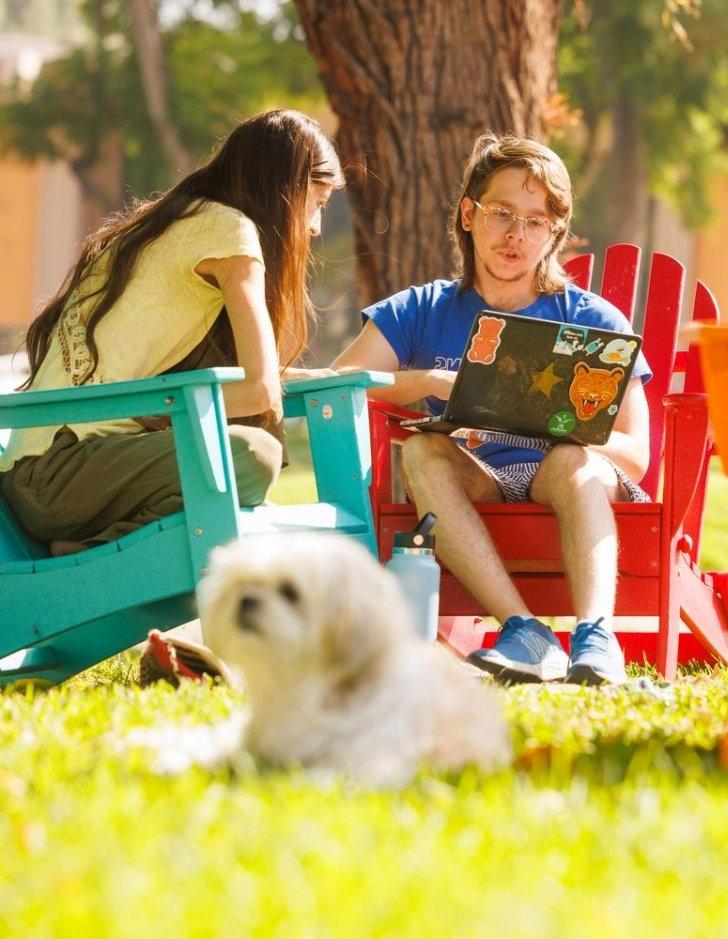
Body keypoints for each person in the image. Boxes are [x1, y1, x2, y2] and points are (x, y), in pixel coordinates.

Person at [333, 131, 652, 686]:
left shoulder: (593, 322)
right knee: (426, 452)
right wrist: (426, 381)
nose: (516, 235)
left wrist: (556, 427)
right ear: (467, 214)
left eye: (536, 220)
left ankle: (595, 637)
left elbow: (636, 454)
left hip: (572, 481)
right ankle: (523, 630)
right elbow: (339, 383)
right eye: (502, 212)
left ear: (553, 231)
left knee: (569, 461)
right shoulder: (423, 308)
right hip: (477, 474)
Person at [0, 109, 343, 555]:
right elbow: (259, 392)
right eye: (315, 202)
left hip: (47, 475)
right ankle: (96, 550)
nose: (315, 226)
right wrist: (170, 413)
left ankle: (90, 540)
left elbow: (235, 379)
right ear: (282, 186)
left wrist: (293, 378)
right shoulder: (229, 231)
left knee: (238, 450)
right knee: (254, 455)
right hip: (62, 476)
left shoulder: (177, 221)